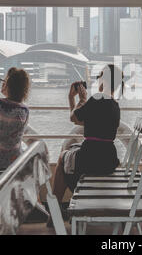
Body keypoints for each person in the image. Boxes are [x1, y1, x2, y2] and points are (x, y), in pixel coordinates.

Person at [51, 64, 124, 204]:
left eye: (99, 77)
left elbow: (74, 117)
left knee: (62, 157)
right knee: (70, 155)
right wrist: (77, 101)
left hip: (90, 158)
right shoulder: (115, 105)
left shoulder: (97, 98)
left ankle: (55, 210)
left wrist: (78, 99)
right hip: (108, 160)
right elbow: (79, 121)